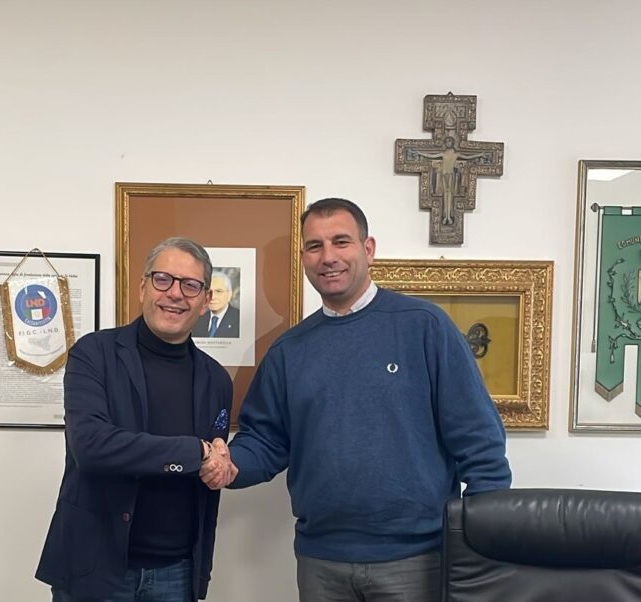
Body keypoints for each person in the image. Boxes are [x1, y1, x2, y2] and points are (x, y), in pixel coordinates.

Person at [207, 198, 511, 602]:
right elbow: (265, 440)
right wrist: (229, 464)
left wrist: (479, 538)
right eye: (314, 246)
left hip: (418, 559)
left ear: (368, 249)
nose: (328, 257)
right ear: (303, 258)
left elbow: (480, 441)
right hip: (321, 561)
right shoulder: (289, 351)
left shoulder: (425, 327)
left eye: (341, 241)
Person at [36, 237, 236, 602]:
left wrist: (219, 461)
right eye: (163, 279)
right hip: (96, 567)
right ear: (143, 287)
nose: (175, 293)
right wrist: (196, 452)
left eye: (190, 285)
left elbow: (211, 465)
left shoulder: (217, 380)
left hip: (177, 572)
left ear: (206, 300)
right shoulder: (93, 354)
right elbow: (91, 447)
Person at [192, 271, 240, 338]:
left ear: (229, 294)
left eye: (218, 291)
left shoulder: (240, 319)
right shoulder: (197, 320)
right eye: (209, 292)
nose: (213, 297)